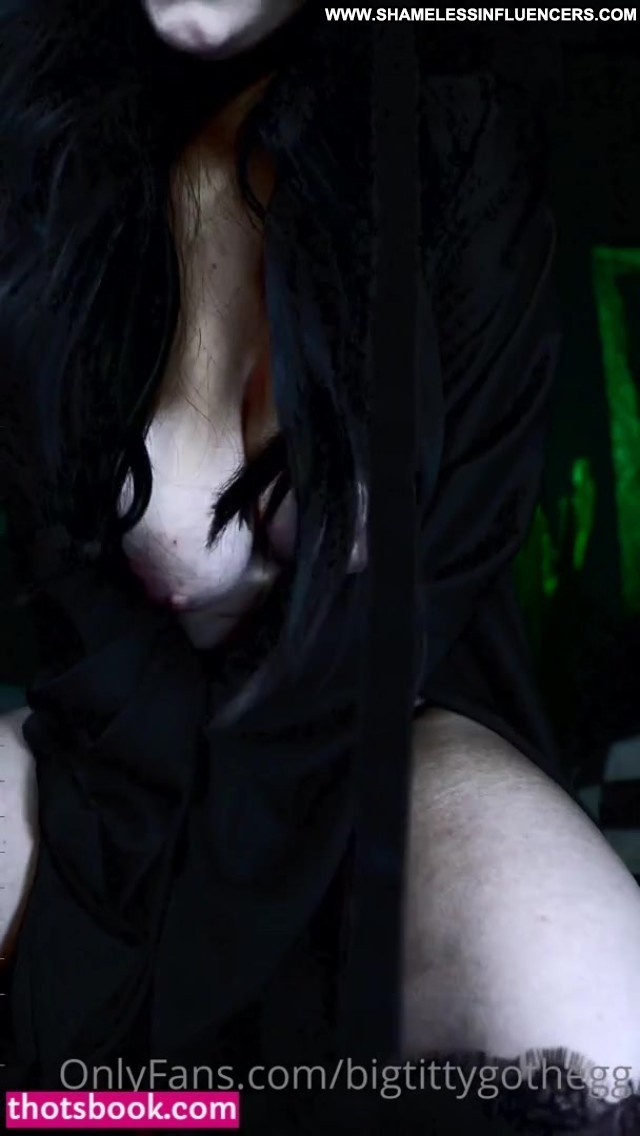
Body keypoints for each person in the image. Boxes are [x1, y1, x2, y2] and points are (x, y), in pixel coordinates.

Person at [1, 1, 640, 1130]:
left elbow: (426, 587)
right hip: (112, 747)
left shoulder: (454, 136)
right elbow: (72, 575)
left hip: (381, 732)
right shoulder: (58, 143)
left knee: (579, 1003)